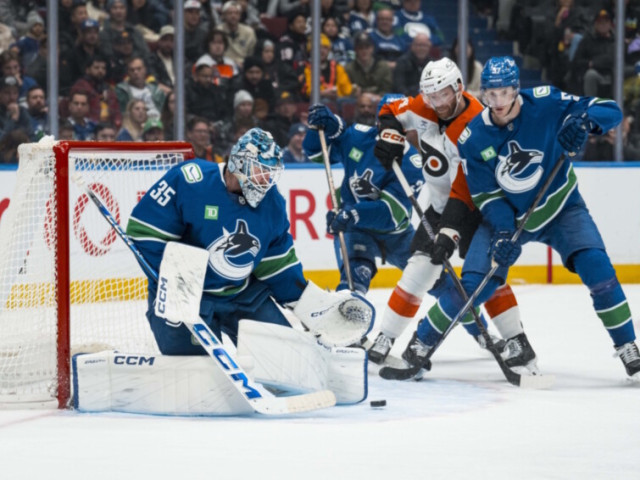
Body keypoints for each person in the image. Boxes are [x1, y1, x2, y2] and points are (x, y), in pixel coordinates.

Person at [395, 55, 639, 379]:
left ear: (517, 89)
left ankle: (627, 345)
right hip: (507, 217)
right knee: (474, 286)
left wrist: (585, 122)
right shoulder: (473, 137)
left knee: (598, 270)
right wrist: (501, 233)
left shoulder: (546, 102)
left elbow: (610, 109)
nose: (498, 102)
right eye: (490, 94)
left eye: (505, 93)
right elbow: (487, 196)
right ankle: (421, 342)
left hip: (562, 208)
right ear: (482, 93)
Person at [125, 127, 368, 353]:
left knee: (286, 356)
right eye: (260, 171)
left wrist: (311, 305)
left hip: (243, 296)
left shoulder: (272, 203)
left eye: (270, 174)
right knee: (194, 368)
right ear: (239, 162)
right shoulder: (190, 180)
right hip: (186, 295)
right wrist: (178, 281)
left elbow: (278, 265)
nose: (266, 181)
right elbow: (144, 231)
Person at [370, 58, 520, 366]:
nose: (438, 103)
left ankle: (515, 338)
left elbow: (462, 189)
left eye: (444, 95)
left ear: (459, 88)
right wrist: (390, 135)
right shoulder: (422, 106)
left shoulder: (476, 122)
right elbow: (389, 109)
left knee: (487, 277)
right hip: (440, 207)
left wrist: (448, 234)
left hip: (478, 209)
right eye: (431, 96)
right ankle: (386, 335)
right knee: (418, 269)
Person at [302, 99, 424, 294]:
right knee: (354, 282)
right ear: (378, 121)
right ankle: (347, 310)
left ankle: (470, 313)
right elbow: (316, 153)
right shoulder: (358, 137)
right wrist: (323, 127)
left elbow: (391, 214)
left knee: (437, 280)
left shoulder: (412, 163)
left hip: (397, 235)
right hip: (356, 228)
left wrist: (352, 214)